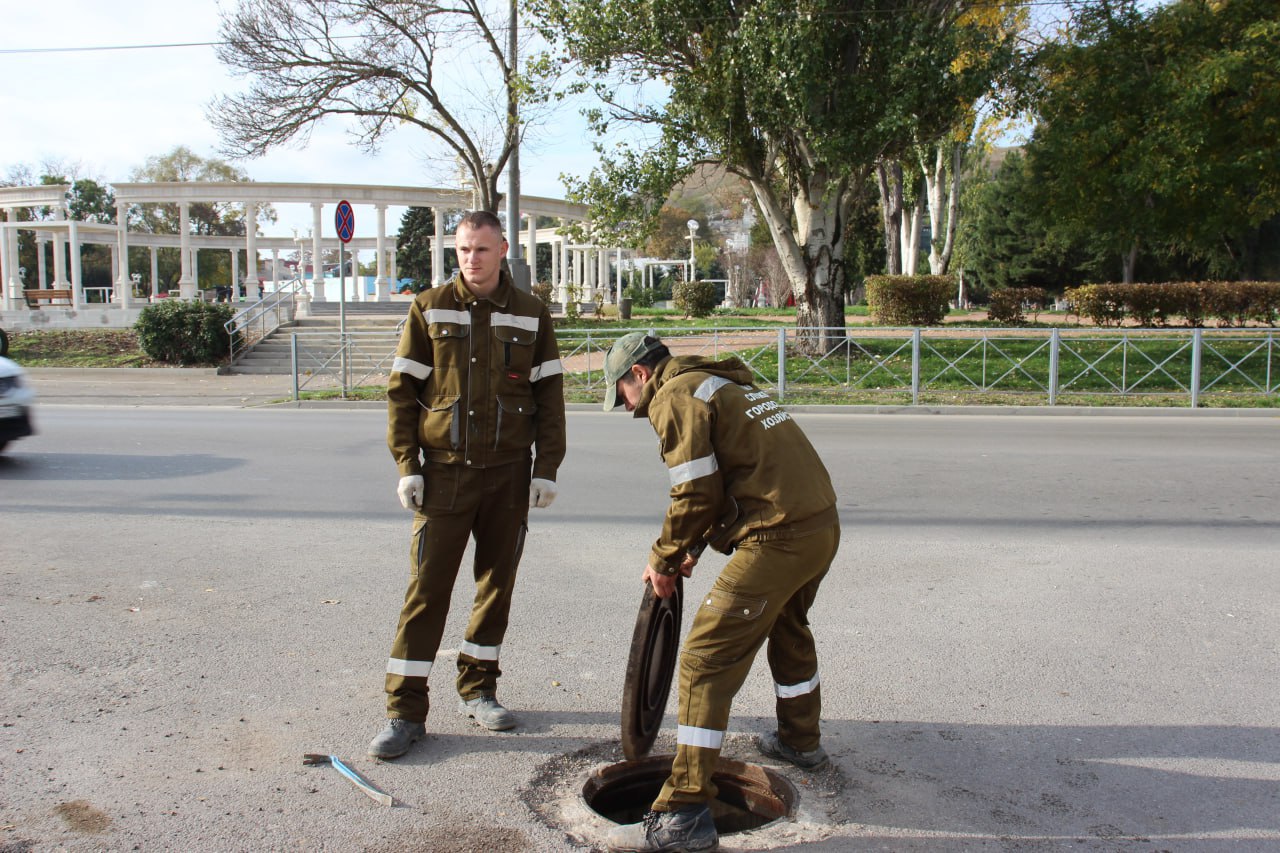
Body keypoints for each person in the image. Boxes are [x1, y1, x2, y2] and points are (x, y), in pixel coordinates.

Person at [601, 332, 840, 853]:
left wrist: (664, 558)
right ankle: (801, 742)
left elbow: (695, 492)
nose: (626, 406)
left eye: (621, 392)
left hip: (777, 537)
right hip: (818, 526)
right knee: (789, 626)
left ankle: (685, 809)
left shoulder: (676, 396)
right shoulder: (719, 383)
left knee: (704, 661)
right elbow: (738, 476)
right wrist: (695, 549)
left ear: (640, 374)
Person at [368, 211, 566, 760]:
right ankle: (405, 711)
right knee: (426, 591)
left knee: (495, 586)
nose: (471, 259)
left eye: (481, 249)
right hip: (445, 473)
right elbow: (401, 392)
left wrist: (547, 467)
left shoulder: (530, 313)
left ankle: (479, 689)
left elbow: (550, 397)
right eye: (462, 250)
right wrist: (408, 464)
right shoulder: (429, 308)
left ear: (503, 249)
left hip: (507, 474)